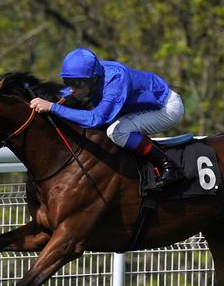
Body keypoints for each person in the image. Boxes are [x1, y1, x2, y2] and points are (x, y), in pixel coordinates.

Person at [29, 47, 186, 190]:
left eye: (76, 83)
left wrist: (52, 107)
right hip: (145, 108)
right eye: (67, 81)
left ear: (93, 80)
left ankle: (168, 166)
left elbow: (95, 119)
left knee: (116, 132)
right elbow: (64, 94)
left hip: (165, 108)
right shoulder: (90, 75)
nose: (71, 88)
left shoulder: (115, 82)